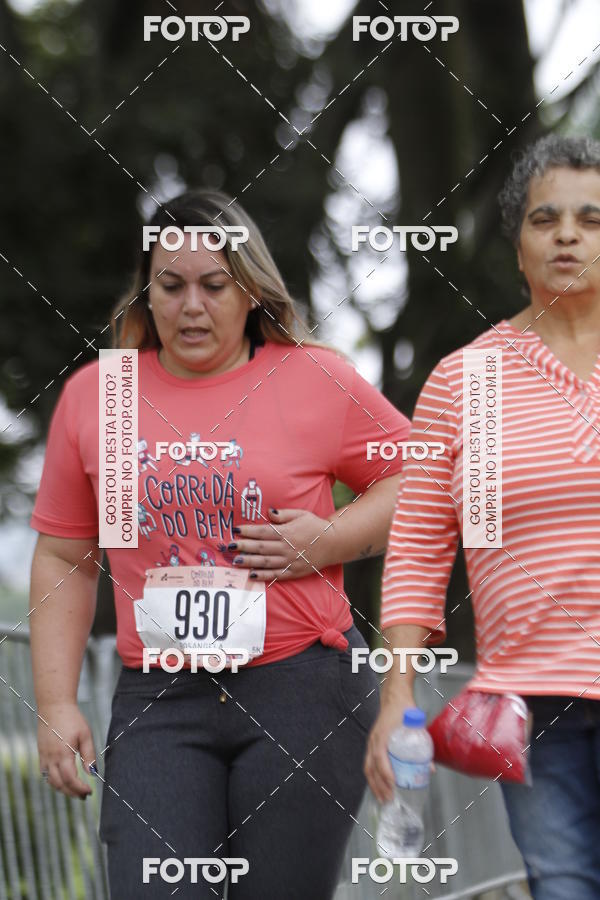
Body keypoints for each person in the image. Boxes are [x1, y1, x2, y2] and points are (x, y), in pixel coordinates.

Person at [28, 188, 411, 899]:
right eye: (171, 287)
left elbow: (421, 485)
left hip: (302, 690)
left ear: (251, 292)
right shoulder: (102, 398)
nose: (191, 307)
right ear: (147, 292)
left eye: (214, 285)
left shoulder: (313, 378)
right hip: (160, 698)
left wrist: (329, 539)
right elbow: (64, 557)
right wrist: (55, 704)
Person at [366, 134, 600, 900]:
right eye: (546, 218)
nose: (568, 234)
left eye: (592, 218)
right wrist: (397, 694)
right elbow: (417, 548)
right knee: (564, 888)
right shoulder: (468, 380)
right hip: (531, 706)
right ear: (518, 242)